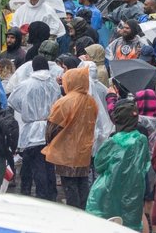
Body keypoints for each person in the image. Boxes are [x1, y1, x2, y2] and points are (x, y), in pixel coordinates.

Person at [86, 99, 151, 231]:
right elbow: (145, 165)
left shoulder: (113, 142)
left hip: (109, 190)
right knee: (130, 224)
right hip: (133, 190)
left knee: (106, 223)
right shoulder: (142, 140)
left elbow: (99, 165)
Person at [42, 67, 97, 209]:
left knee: (70, 186)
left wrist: (50, 144)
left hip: (66, 153)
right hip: (84, 152)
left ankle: (75, 216)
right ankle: (84, 213)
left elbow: (52, 128)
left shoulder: (64, 102)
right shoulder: (91, 102)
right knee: (82, 184)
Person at [9, 56, 61, 201]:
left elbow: (13, 101)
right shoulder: (54, 85)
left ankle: (32, 193)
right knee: (48, 164)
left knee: (32, 164)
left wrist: (27, 110)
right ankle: (51, 194)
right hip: (50, 128)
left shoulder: (26, 84)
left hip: (31, 129)